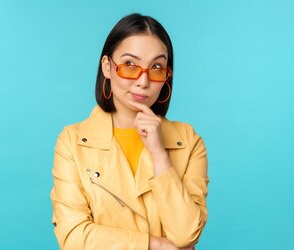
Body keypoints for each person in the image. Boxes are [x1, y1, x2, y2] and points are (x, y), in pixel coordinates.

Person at [50, 13, 209, 250]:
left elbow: (186, 233)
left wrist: (158, 153)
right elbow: (73, 236)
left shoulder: (187, 142)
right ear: (107, 67)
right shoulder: (72, 142)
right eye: (130, 65)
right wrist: (153, 244)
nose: (143, 81)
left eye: (156, 67)